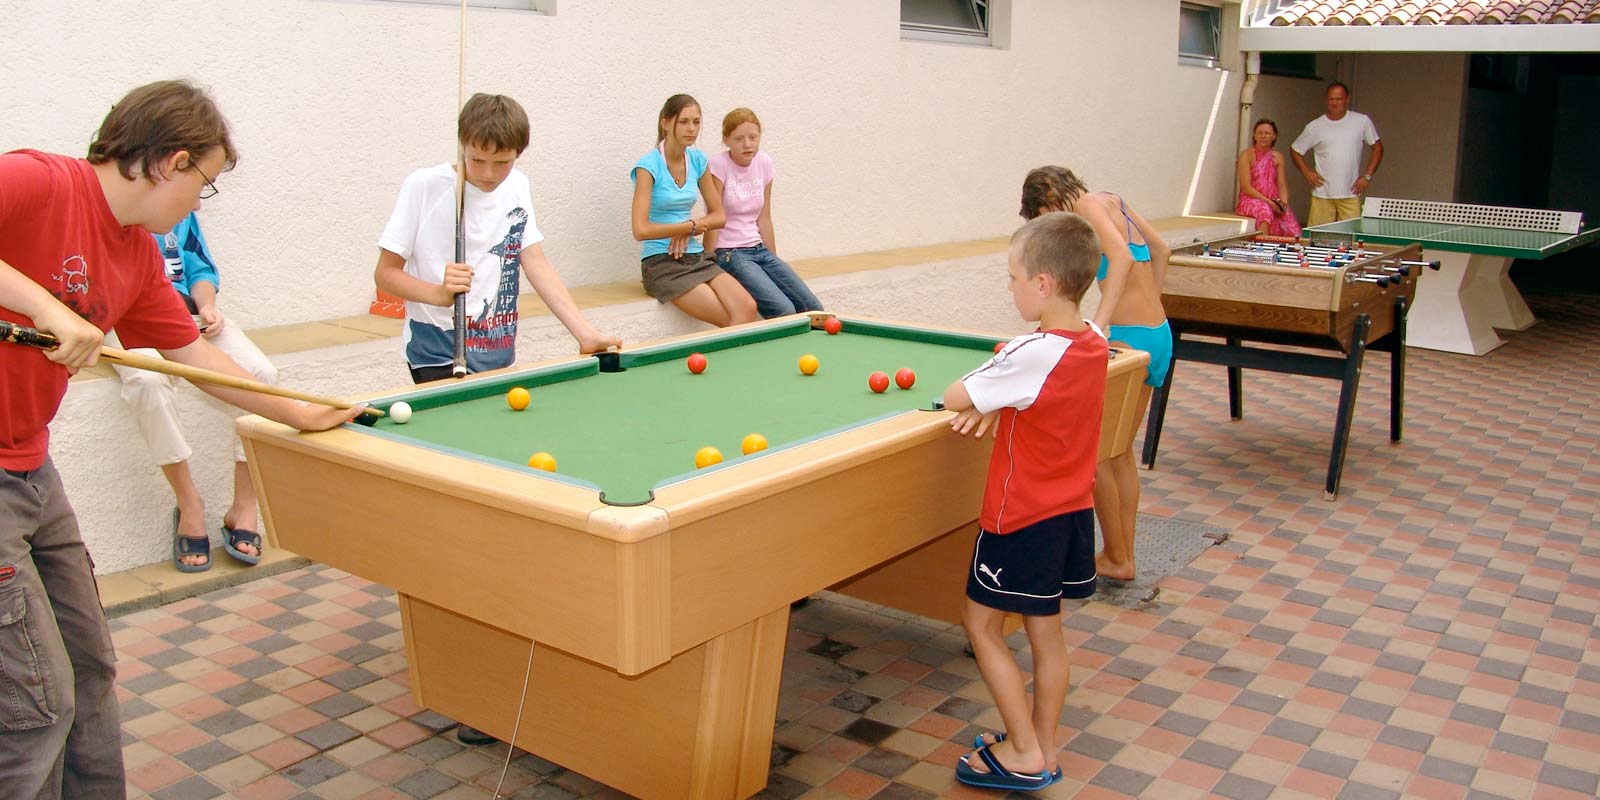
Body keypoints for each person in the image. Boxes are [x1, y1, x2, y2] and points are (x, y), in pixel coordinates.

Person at [0, 79, 364, 800]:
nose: (200, 202)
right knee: (37, 709)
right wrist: (47, 308)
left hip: (31, 470)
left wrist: (297, 410)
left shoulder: (135, 256)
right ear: (169, 161)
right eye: (205, 183)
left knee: (91, 669)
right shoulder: (36, 181)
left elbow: (195, 359)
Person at [941, 211, 1108, 791]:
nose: (1009, 286)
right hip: (1069, 515)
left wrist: (989, 398)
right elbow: (1029, 396)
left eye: (1013, 276)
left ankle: (1021, 751)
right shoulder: (1094, 341)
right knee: (1047, 633)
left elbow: (954, 393)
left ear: (1043, 283)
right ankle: (1043, 746)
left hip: (1019, 520)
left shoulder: (1032, 351)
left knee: (981, 626)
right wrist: (1001, 402)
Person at [376, 93, 620, 384]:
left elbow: (535, 261)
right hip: (438, 349)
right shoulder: (424, 186)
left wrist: (584, 332)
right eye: (477, 160)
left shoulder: (518, 185)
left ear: (519, 153)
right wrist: (438, 294)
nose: (488, 173)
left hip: (498, 348)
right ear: (461, 144)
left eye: (502, 162)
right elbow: (385, 274)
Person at [1019, 167, 1170, 584]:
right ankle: (1121, 556)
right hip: (1157, 335)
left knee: (1100, 455)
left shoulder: (1085, 206)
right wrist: (1150, 308)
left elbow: (1120, 258)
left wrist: (1099, 327)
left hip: (1126, 339)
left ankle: (1117, 558)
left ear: (1051, 196)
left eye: (1047, 216)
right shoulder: (1110, 199)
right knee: (1119, 452)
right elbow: (1161, 251)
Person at [108, 211, 279, 572]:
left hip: (188, 316)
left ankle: (244, 506)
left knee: (261, 372)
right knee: (148, 381)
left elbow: (198, 266)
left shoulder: (181, 208)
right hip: (129, 321)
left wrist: (207, 307)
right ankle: (190, 504)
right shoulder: (114, 210)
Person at [630, 94, 758, 328]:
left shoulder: (698, 160)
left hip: (695, 256)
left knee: (747, 307)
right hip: (661, 262)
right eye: (684, 121)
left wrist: (691, 228)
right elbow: (640, 230)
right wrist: (686, 227)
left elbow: (719, 216)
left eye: (696, 122)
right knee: (728, 318)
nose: (692, 129)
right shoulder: (647, 167)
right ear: (666, 123)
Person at [705, 108, 823, 318]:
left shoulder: (764, 163)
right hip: (731, 253)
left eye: (753, 137)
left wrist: (774, 263)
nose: (747, 144)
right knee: (783, 310)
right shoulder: (719, 164)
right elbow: (714, 216)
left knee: (812, 307)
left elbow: (764, 217)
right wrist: (707, 262)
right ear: (726, 140)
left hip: (760, 250)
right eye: (739, 138)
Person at [1291, 82, 1383, 227]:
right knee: (1317, 240)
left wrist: (1367, 176)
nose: (1334, 103)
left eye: (1338, 99)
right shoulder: (1315, 126)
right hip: (1322, 194)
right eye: (1331, 99)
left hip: (1350, 193)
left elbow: (1377, 148)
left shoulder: (1361, 121)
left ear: (1347, 100)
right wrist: (1307, 172)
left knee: (1351, 241)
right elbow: (1295, 150)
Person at [1235, 119, 1302, 237]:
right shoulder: (1246, 155)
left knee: (1292, 226)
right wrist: (1270, 203)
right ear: (1254, 136)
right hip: (1250, 200)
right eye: (1260, 133)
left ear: (1274, 136)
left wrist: (1283, 204)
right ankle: (1263, 248)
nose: (1263, 136)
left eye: (1267, 133)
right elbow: (1246, 188)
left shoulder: (1278, 157)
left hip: (1273, 199)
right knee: (1264, 211)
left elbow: (1282, 185)